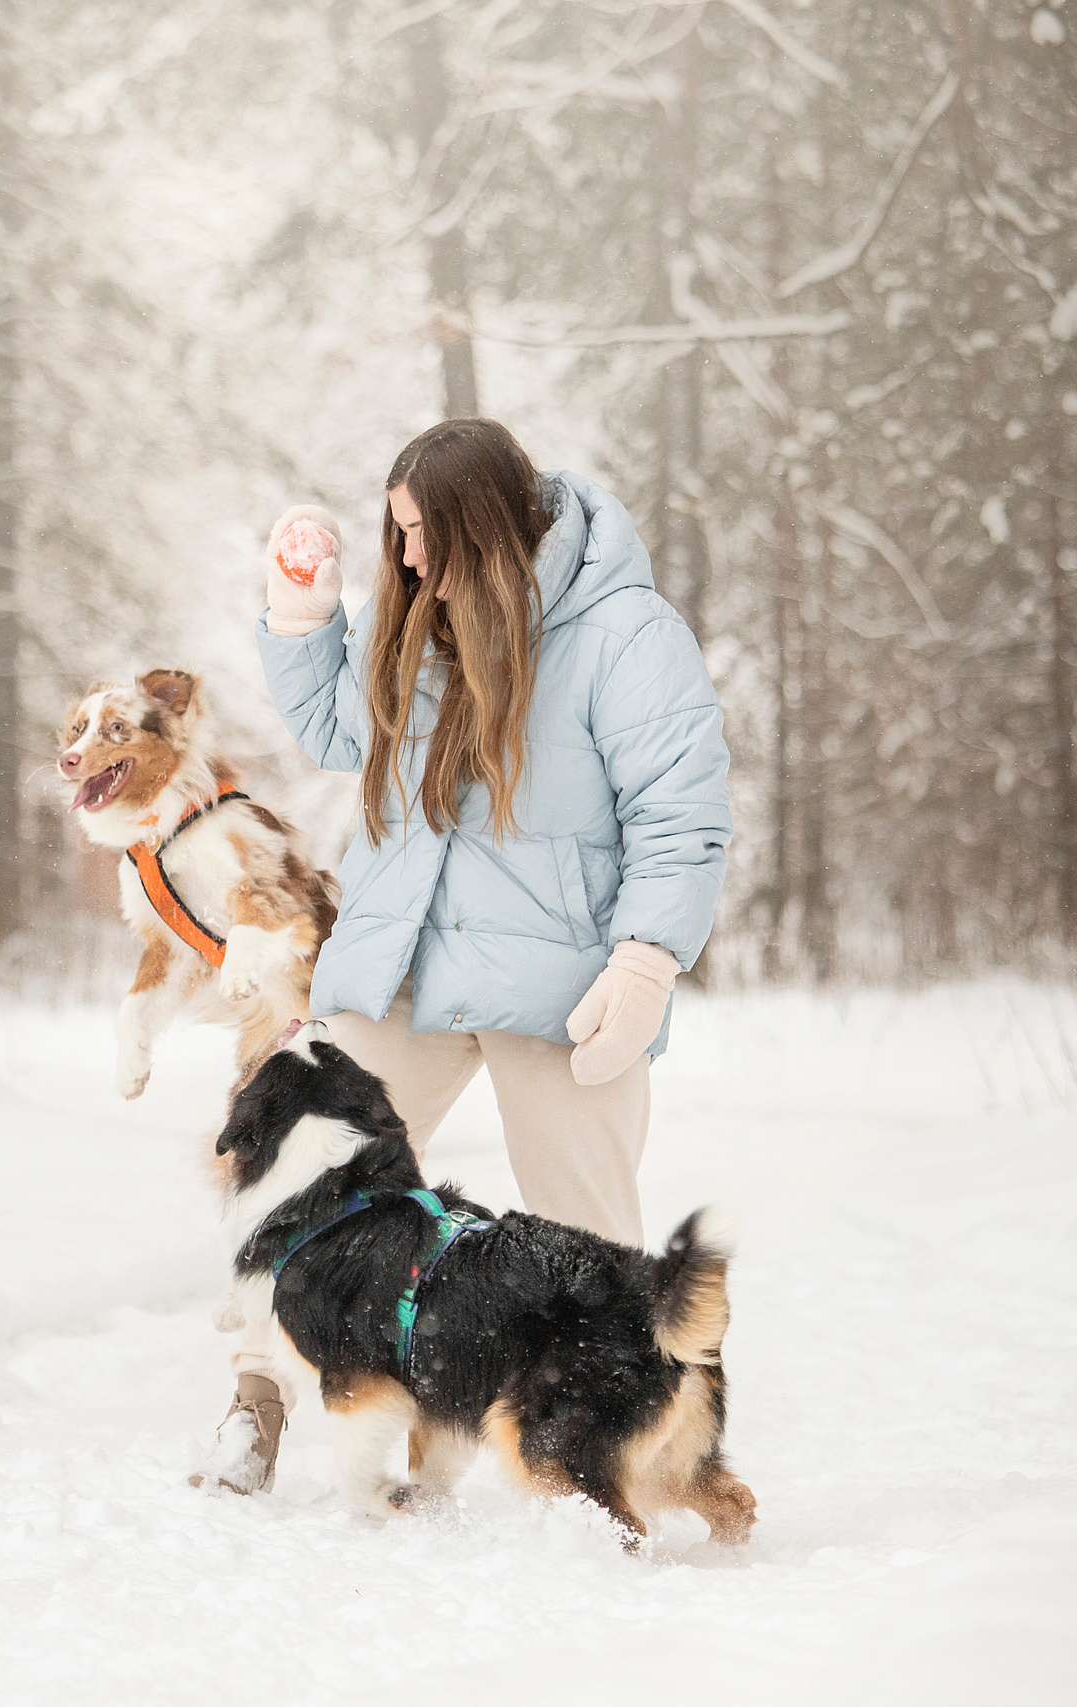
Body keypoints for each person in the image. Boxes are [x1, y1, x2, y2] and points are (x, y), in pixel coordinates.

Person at [194, 417, 732, 1494]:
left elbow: (681, 812)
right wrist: (302, 622)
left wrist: (644, 960)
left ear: (484, 525)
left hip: (563, 985)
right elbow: (344, 734)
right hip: (403, 967)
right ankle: (255, 1402)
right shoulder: (418, 618)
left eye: (420, 534)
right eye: (392, 534)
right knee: (300, 1180)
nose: (404, 559)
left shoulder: (622, 632)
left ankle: (661, 1464)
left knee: (593, 1259)